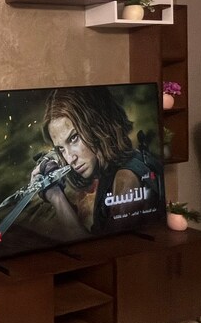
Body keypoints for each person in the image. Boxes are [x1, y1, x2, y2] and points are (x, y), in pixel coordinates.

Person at [32, 87, 162, 235]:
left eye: (74, 138)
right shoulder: (108, 171)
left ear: (97, 125)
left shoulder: (126, 178)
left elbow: (107, 246)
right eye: (61, 148)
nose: (69, 159)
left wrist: (56, 197)